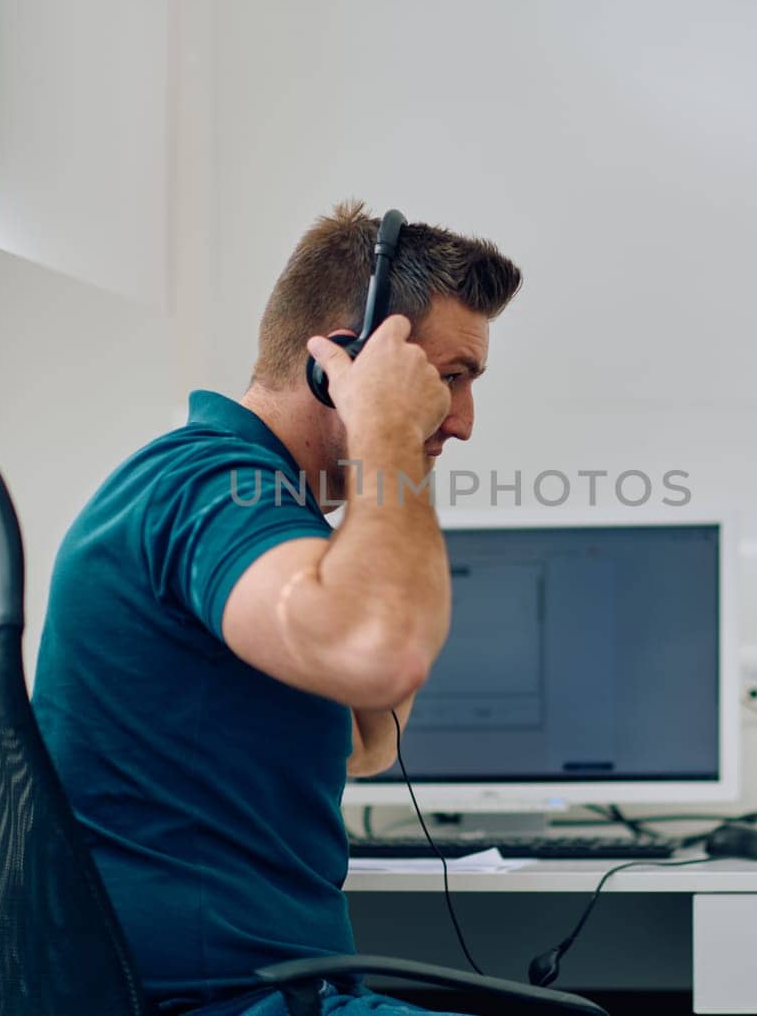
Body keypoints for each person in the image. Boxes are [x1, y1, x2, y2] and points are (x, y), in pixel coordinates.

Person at [31, 201, 522, 1014]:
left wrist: (379, 467)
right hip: (226, 1003)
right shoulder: (210, 488)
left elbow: (370, 737)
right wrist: (391, 442)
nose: (462, 422)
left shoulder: (261, 507)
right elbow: (382, 654)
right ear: (339, 362)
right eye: (449, 379)